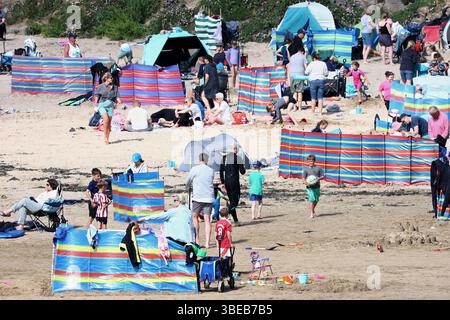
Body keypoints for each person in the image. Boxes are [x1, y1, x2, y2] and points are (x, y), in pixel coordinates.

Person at [186, 153, 214, 248]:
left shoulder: (194, 169)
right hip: (208, 196)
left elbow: (188, 180)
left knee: (194, 216)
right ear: (207, 160)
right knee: (207, 219)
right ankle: (207, 242)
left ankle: (197, 239)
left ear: (199, 160)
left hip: (198, 196)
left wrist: (188, 186)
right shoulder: (211, 170)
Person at [220, 144, 246, 226]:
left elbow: (221, 171)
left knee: (232, 202)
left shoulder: (224, 158)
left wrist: (222, 183)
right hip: (234, 183)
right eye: (235, 149)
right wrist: (242, 166)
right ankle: (225, 213)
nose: (236, 150)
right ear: (236, 150)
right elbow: (242, 171)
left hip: (227, 182)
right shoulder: (238, 158)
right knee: (235, 202)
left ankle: (236, 221)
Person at [95, 72, 121, 144]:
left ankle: (107, 138)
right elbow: (97, 96)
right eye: (111, 78)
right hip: (102, 104)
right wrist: (96, 105)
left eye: (112, 78)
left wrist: (119, 100)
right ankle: (105, 137)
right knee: (105, 119)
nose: (112, 79)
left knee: (109, 123)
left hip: (110, 106)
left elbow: (117, 96)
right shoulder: (100, 86)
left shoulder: (115, 87)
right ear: (106, 79)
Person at [302, 155, 325, 219]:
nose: (310, 162)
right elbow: (303, 178)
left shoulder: (318, 168)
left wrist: (318, 178)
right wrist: (306, 183)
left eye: (311, 161)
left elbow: (323, 176)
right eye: (309, 161)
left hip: (317, 186)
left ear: (314, 161)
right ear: (307, 161)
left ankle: (313, 210)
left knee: (316, 199)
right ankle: (311, 213)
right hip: (309, 187)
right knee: (312, 199)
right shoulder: (306, 169)